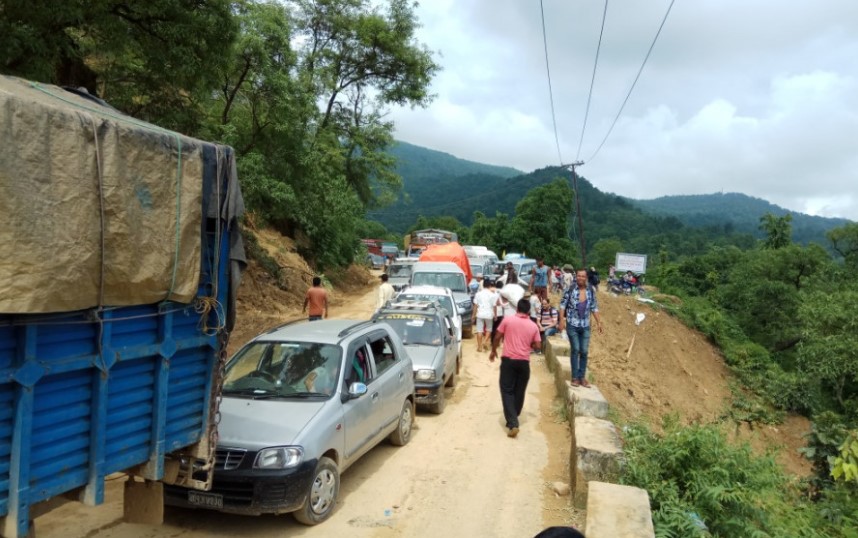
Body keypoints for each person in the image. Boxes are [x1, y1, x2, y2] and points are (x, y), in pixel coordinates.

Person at [489, 298, 541, 438]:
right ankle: (514, 417)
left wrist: (493, 350)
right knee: (519, 391)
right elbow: (537, 346)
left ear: (517, 308)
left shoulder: (508, 320)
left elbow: (497, 336)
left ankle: (513, 423)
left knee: (507, 391)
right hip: (524, 362)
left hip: (509, 361)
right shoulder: (533, 326)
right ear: (529, 311)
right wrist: (528, 344)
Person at [559, 269, 603, 388]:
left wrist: (599, 322)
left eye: (583, 276)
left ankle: (582, 378)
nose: (580, 278)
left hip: (585, 326)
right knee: (576, 349)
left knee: (584, 351)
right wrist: (561, 321)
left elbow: (594, 307)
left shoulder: (590, 290)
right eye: (579, 276)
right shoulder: (570, 289)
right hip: (572, 324)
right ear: (576, 277)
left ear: (586, 278)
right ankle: (574, 378)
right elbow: (562, 304)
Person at [472, 281, 498, 352]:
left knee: (479, 330)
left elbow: (475, 305)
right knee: (489, 329)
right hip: (489, 314)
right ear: (489, 286)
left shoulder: (478, 294)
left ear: (483, 285)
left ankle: (480, 347)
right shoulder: (492, 295)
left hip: (480, 313)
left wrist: (473, 315)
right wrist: (495, 315)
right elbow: (494, 306)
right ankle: (485, 341)